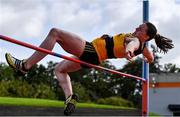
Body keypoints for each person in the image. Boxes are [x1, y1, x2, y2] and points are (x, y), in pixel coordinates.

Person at [5, 22, 174, 116]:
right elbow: (150, 58)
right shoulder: (144, 46)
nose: (136, 28)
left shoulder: (136, 40)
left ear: (145, 36)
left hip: (91, 50)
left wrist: (130, 50)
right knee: (59, 69)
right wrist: (146, 59)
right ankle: (69, 98)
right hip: (92, 58)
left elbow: (133, 44)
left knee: (55, 32)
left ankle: (25, 66)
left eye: (140, 29)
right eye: (138, 27)